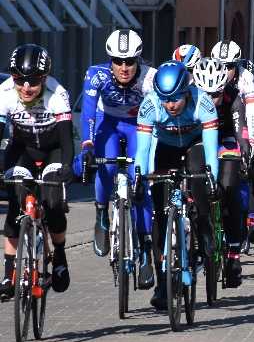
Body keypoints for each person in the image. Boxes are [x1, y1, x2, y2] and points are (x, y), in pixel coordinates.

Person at [134, 61, 219, 310]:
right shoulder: (149, 104)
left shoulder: (201, 101)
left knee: (198, 172)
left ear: (186, 91)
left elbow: (211, 149)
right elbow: (143, 149)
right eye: (165, 99)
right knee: (160, 214)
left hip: (195, 145)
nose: (171, 105)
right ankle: (163, 283)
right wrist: (140, 178)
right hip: (166, 149)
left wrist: (211, 178)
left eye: (176, 99)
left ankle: (204, 228)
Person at [79, 28, 153, 288]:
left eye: (130, 61)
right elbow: (88, 113)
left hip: (138, 126)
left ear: (138, 61)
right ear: (110, 60)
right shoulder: (95, 75)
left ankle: (145, 249)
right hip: (108, 123)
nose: (124, 67)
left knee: (140, 181)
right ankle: (101, 214)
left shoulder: (149, 78)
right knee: (106, 165)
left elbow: (157, 117)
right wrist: (87, 145)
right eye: (118, 61)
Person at [0, 45, 74, 299]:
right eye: (20, 79)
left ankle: (60, 256)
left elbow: (66, 140)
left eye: (33, 81)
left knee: (52, 204)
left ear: (44, 78)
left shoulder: (57, 94)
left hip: (53, 150)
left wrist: (67, 166)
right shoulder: (5, 93)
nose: (26, 87)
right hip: (23, 150)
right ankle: (9, 272)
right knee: (15, 198)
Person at [192, 57, 249, 287]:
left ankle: (234, 253)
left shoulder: (233, 96)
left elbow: (240, 132)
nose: (211, 100)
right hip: (197, 139)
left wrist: (244, 151)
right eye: (205, 94)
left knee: (229, 187)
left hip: (224, 140)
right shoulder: (188, 97)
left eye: (216, 94)